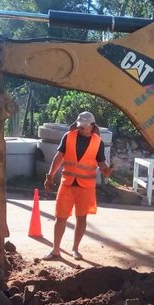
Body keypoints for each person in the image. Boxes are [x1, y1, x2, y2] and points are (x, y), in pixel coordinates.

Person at [42, 111, 113, 261]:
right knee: (60, 217)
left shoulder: (97, 142)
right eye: (79, 126)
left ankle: (75, 249)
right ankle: (55, 250)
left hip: (86, 187)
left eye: (84, 127)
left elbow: (101, 164)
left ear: (92, 126)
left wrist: (106, 171)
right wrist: (50, 175)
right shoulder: (69, 136)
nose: (80, 129)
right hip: (67, 183)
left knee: (81, 218)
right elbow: (59, 157)